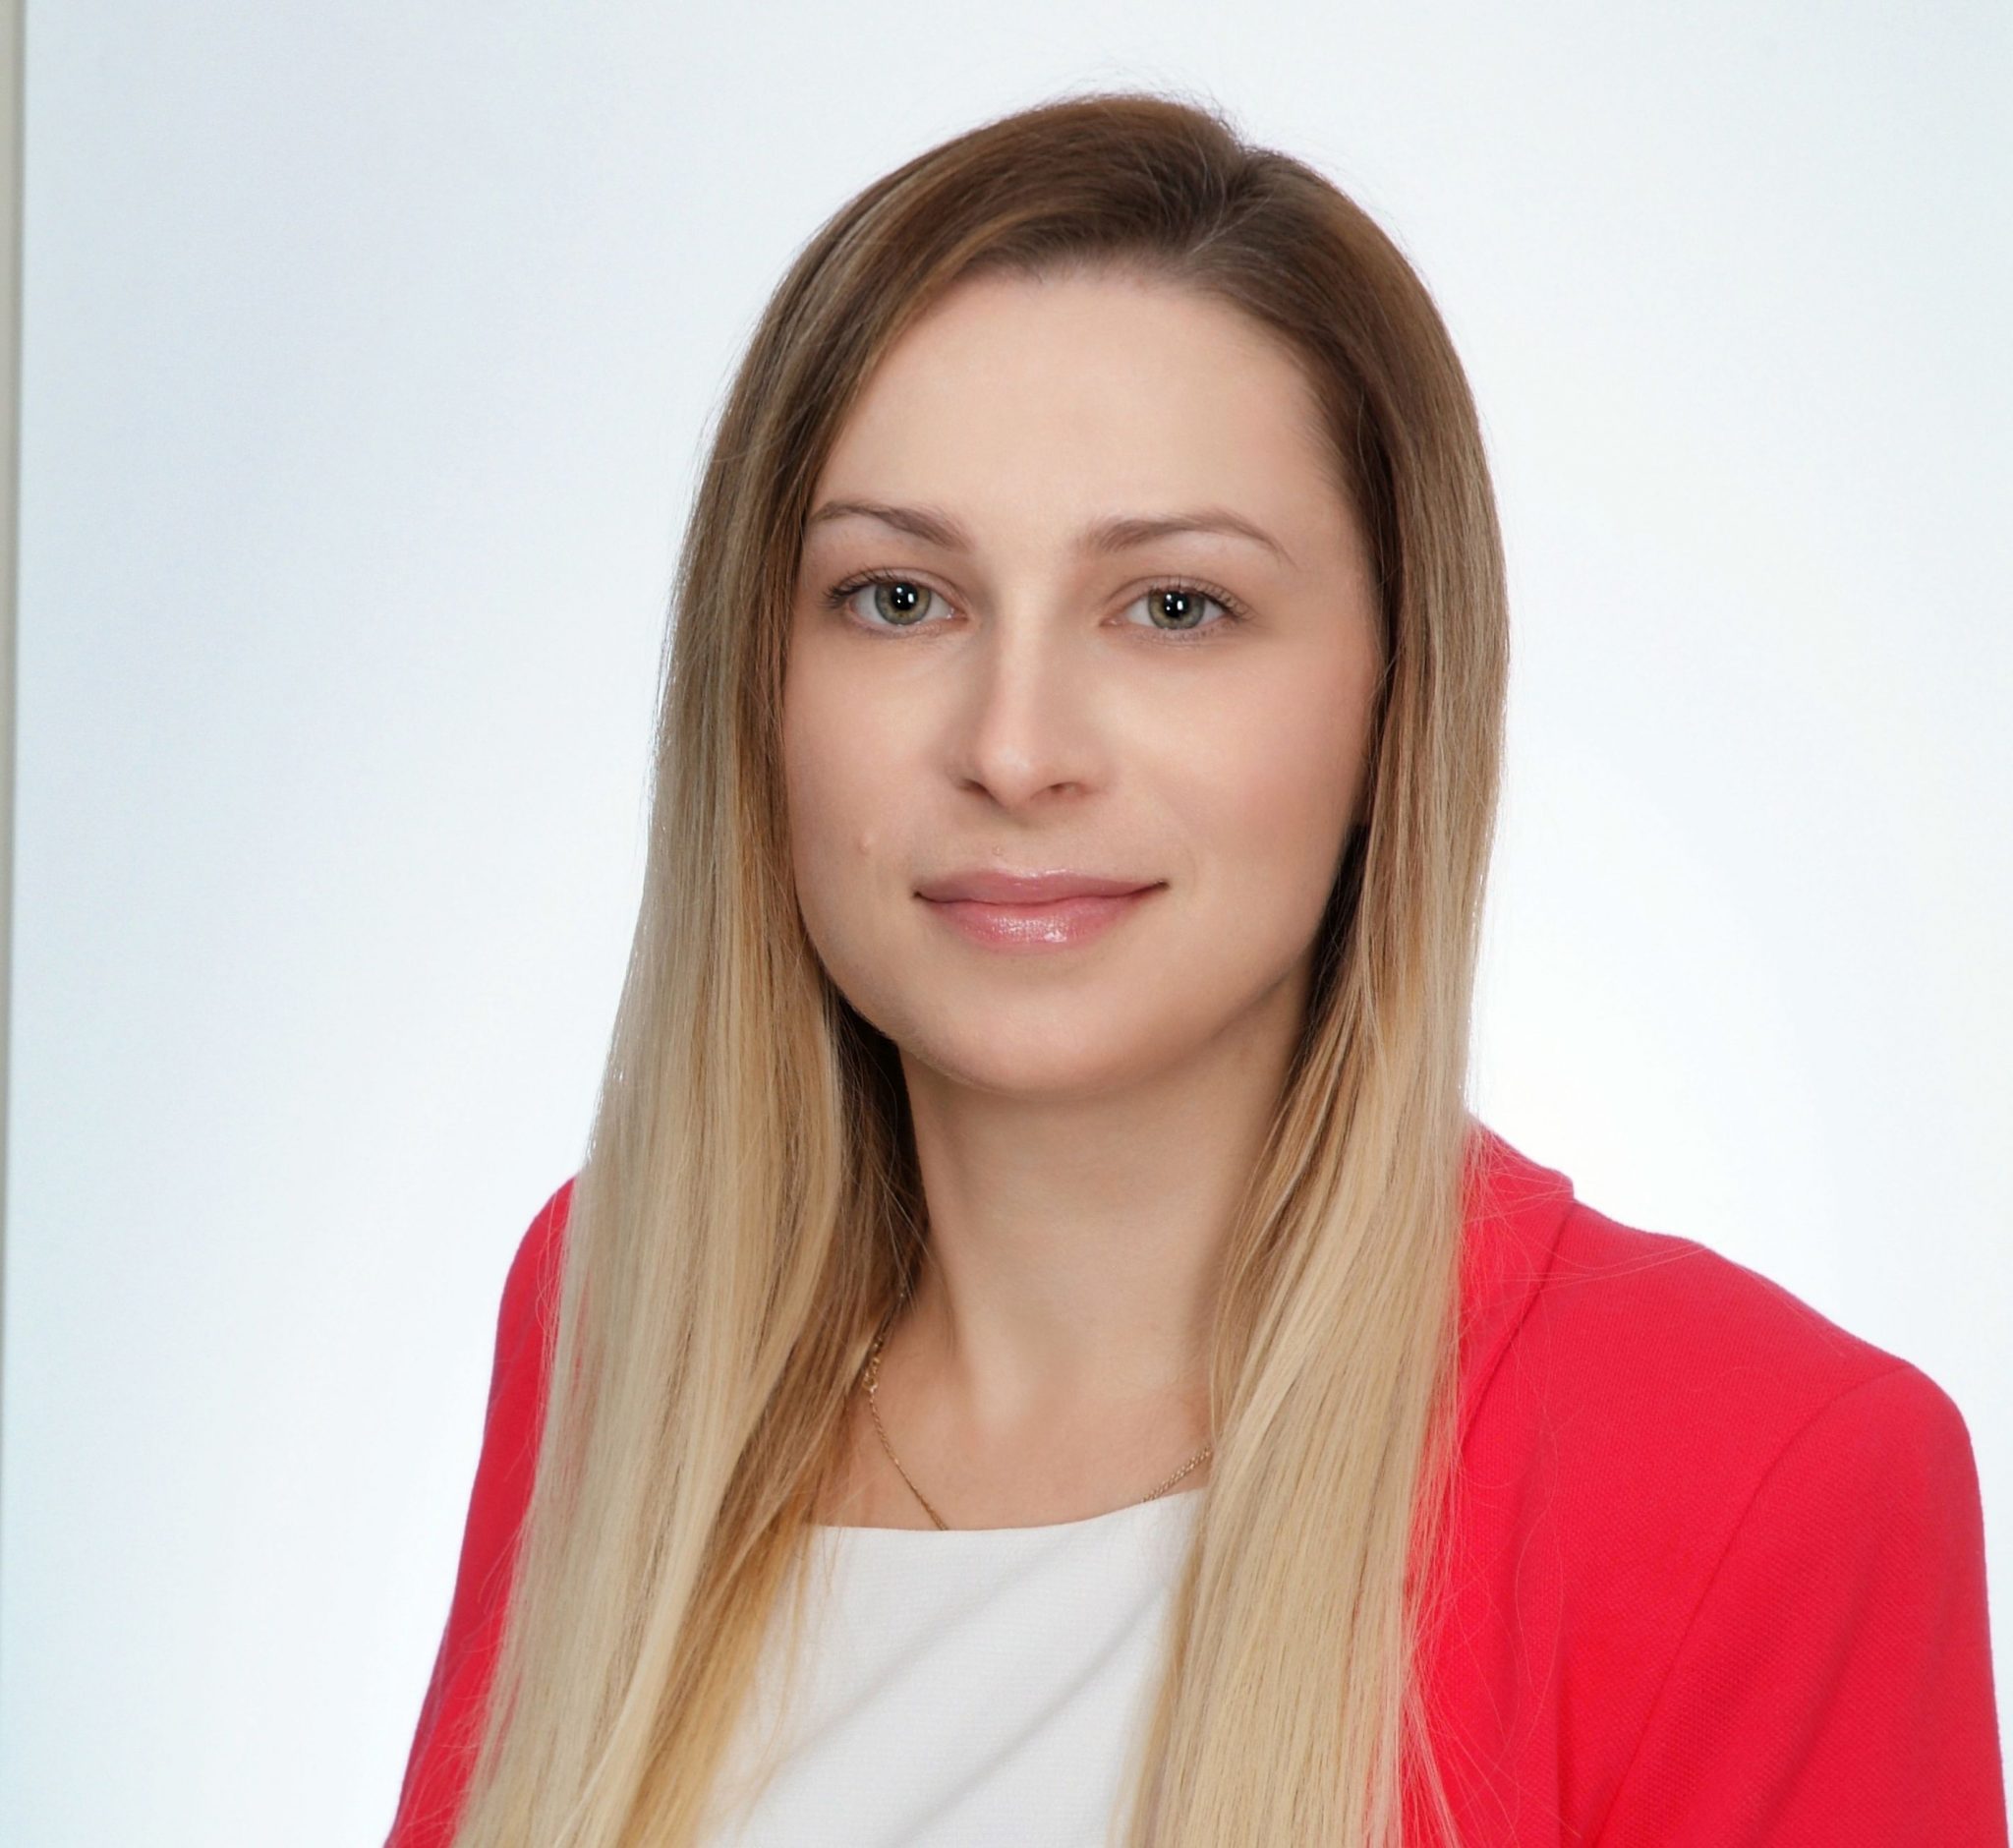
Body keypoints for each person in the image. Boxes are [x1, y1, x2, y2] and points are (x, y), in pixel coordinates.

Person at [384, 90, 2006, 1848]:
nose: (1015, 750)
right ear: (754, 685)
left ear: (1396, 696)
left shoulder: (1763, 1477)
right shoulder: (627, 1310)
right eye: (899, 597)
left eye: (1174, 608)